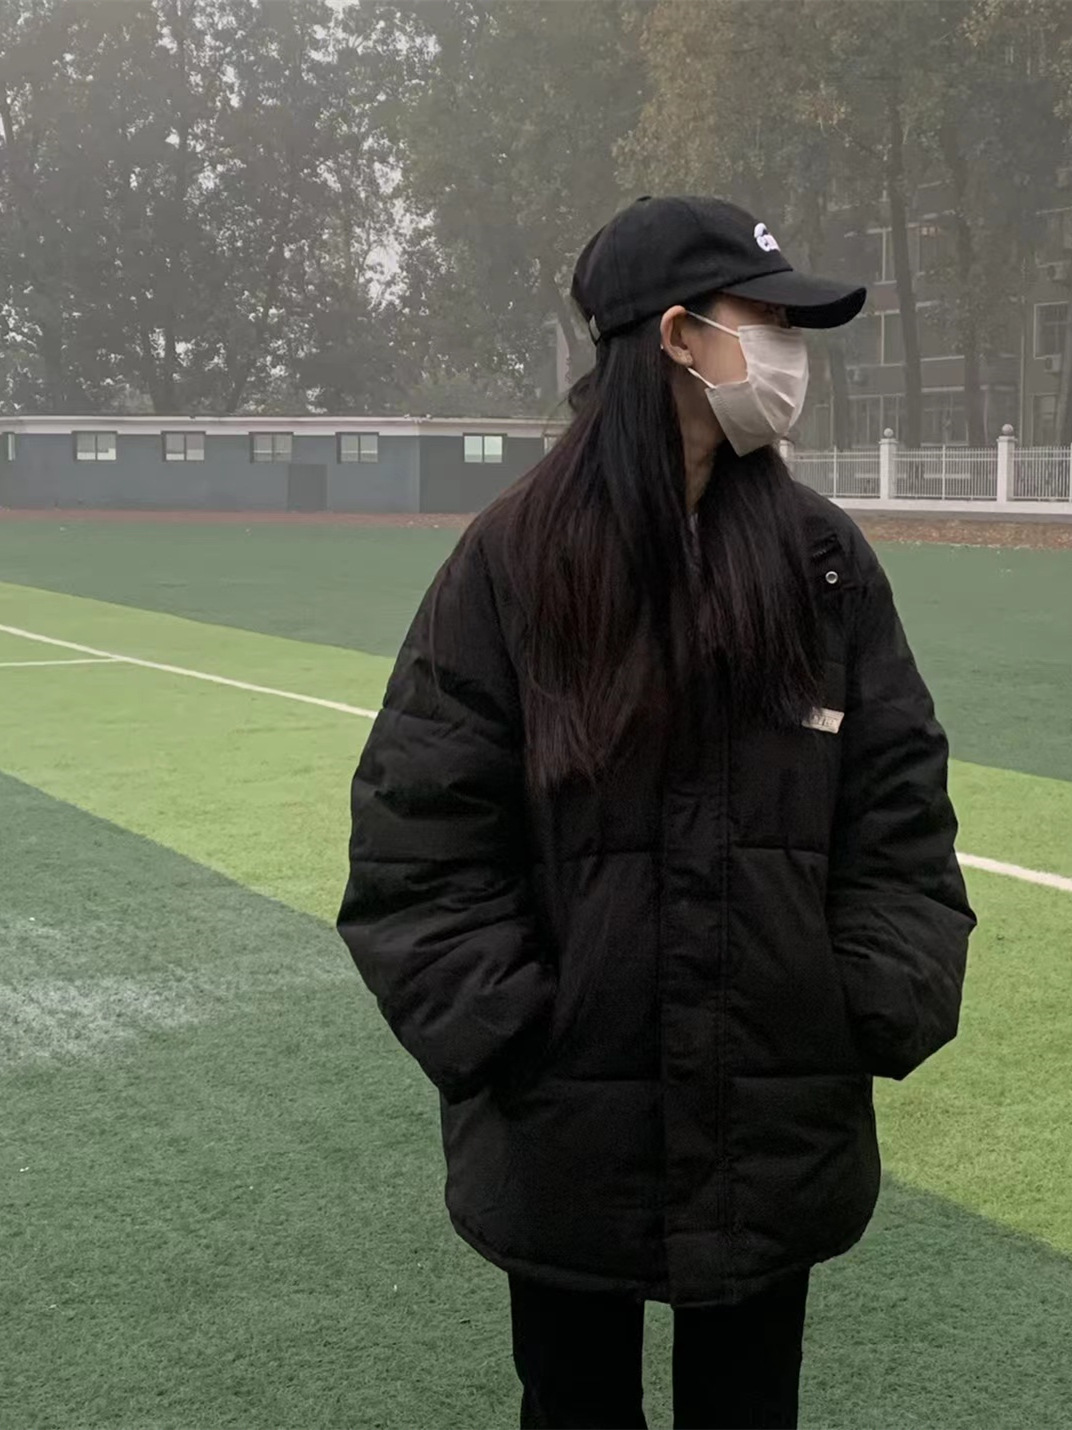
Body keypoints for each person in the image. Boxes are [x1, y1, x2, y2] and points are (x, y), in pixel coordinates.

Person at [336, 195, 976, 1430]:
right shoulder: (511, 561)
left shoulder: (819, 561)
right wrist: (514, 1033)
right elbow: (418, 834)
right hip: (562, 1120)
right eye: (765, 320)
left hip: (774, 1107)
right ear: (678, 336)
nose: (789, 352)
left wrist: (864, 998)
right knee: (572, 1403)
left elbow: (899, 806)